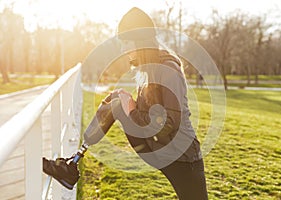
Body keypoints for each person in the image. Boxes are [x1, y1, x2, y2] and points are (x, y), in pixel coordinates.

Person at [43, 7, 208, 200]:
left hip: (182, 157)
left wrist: (131, 109)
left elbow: (169, 123)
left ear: (141, 43)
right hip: (159, 147)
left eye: (126, 43)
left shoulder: (169, 70)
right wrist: (127, 102)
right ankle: (73, 164)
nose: (122, 49)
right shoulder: (148, 70)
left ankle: (71, 166)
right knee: (116, 101)